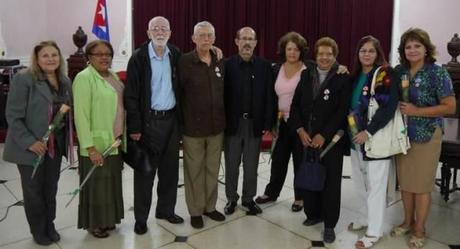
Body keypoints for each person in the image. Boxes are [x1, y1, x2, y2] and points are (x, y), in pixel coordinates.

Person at [3, 40, 73, 245]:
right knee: (33, 191)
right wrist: (30, 142)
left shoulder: (65, 81)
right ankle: (38, 229)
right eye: (45, 55)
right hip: (30, 148)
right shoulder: (24, 79)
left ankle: (49, 224)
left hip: (55, 146)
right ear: (37, 58)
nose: (51, 59)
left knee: (50, 188)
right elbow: (13, 116)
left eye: (54, 55)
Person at [391, 28, 456, 249]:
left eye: (417, 46)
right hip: (402, 136)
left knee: (421, 185)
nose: (412, 50)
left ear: (426, 49)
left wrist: (416, 111)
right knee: (407, 184)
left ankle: (420, 228)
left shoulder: (437, 73)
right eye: (408, 46)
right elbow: (377, 81)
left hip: (427, 135)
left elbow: (450, 106)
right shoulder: (399, 71)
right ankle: (407, 222)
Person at [124, 16, 184, 235]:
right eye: (155, 29)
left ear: (170, 32)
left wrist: (214, 49)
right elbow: (130, 96)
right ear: (148, 33)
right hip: (148, 124)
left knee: (170, 171)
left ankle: (166, 210)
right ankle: (141, 218)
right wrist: (135, 127)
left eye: (164, 28)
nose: (160, 32)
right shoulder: (138, 58)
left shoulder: (176, 55)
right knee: (145, 173)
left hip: (171, 121)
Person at [289, 37, 351, 243]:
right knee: (309, 177)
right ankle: (313, 214)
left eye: (329, 54)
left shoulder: (342, 78)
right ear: (315, 56)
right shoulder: (306, 75)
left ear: (335, 56)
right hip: (307, 138)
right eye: (321, 54)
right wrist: (299, 130)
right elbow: (295, 105)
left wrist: (323, 134)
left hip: (331, 139)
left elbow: (342, 111)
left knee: (331, 182)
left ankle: (329, 224)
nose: (325, 57)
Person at [347, 36, 399, 248]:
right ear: (357, 54)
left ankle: (374, 231)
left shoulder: (385, 74)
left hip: (374, 138)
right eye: (362, 50)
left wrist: (368, 132)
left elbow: (388, 107)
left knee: (376, 186)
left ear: (378, 54)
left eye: (371, 51)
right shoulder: (356, 75)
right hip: (354, 138)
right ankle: (364, 217)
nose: (366, 54)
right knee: (360, 182)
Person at [73, 40, 126, 238]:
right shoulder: (84, 78)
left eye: (108, 54)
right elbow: (81, 115)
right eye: (98, 54)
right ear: (89, 57)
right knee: (96, 185)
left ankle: (108, 219)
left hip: (114, 141)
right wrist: (90, 147)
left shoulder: (112, 75)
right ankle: (94, 222)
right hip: (96, 143)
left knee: (110, 183)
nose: (104, 57)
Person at [179, 21, 226, 229]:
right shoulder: (184, 62)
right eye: (202, 35)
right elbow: (178, 94)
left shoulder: (220, 61)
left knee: (212, 169)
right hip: (193, 128)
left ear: (214, 39)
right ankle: (195, 210)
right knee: (194, 171)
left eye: (209, 35)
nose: (206, 39)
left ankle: (210, 207)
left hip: (216, 127)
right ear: (193, 38)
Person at [255, 32, 309, 212]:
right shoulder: (275, 69)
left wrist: (340, 68)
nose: (292, 52)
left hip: (301, 123)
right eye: (289, 49)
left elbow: (332, 67)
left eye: (296, 49)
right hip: (280, 122)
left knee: (300, 161)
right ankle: (272, 192)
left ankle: (300, 197)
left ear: (301, 52)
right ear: (284, 51)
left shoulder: (309, 69)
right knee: (278, 160)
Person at [223, 27, 274, 216]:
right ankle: (231, 199)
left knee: (251, 165)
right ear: (236, 41)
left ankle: (248, 199)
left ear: (255, 43)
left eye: (250, 39)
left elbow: (270, 96)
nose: (246, 42)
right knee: (231, 164)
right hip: (233, 124)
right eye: (243, 38)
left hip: (255, 124)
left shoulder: (264, 66)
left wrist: (267, 124)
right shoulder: (227, 65)